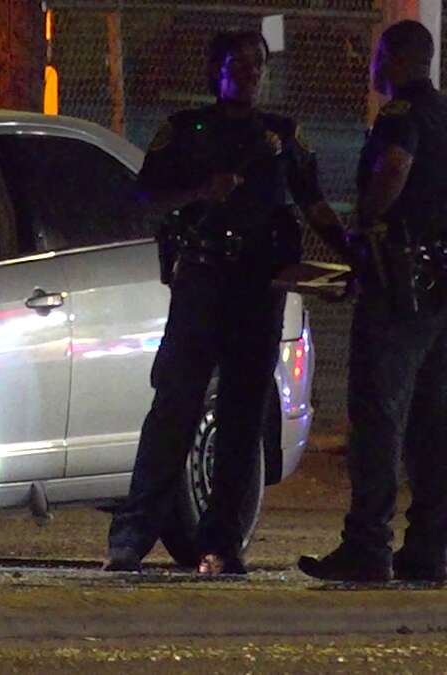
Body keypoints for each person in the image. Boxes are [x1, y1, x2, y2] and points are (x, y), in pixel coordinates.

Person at [103, 30, 348, 575]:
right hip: (202, 283)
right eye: (239, 63)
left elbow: (314, 205)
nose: (250, 72)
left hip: (258, 291)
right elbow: (145, 196)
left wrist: (352, 255)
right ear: (216, 69)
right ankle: (131, 537)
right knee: (175, 410)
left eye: (258, 63)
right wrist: (201, 191)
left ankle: (223, 544)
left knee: (241, 420)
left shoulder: (282, 137)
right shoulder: (188, 131)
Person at [299, 20, 447, 583]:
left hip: (400, 290)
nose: (373, 65)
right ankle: (431, 547)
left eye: (378, 55)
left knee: (379, 415)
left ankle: (368, 545)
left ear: (395, 58)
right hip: (439, 290)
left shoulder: (400, 117)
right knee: (433, 420)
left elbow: (394, 166)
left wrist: (365, 220)